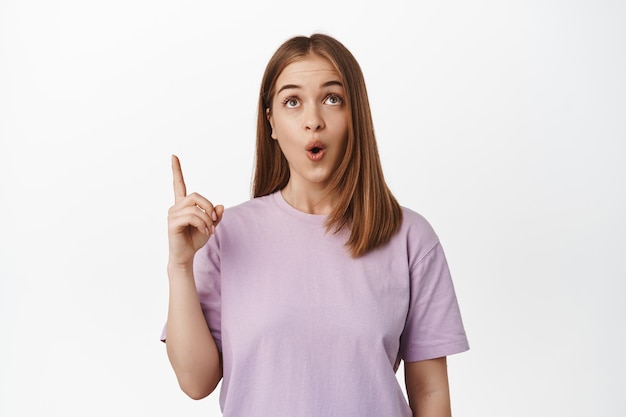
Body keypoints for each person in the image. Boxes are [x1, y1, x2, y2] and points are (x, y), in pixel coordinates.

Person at [162, 33, 469, 417]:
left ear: (355, 114)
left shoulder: (410, 237)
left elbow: (430, 392)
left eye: (332, 98)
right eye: (293, 102)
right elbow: (196, 382)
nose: (313, 121)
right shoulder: (224, 234)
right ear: (271, 122)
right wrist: (180, 266)